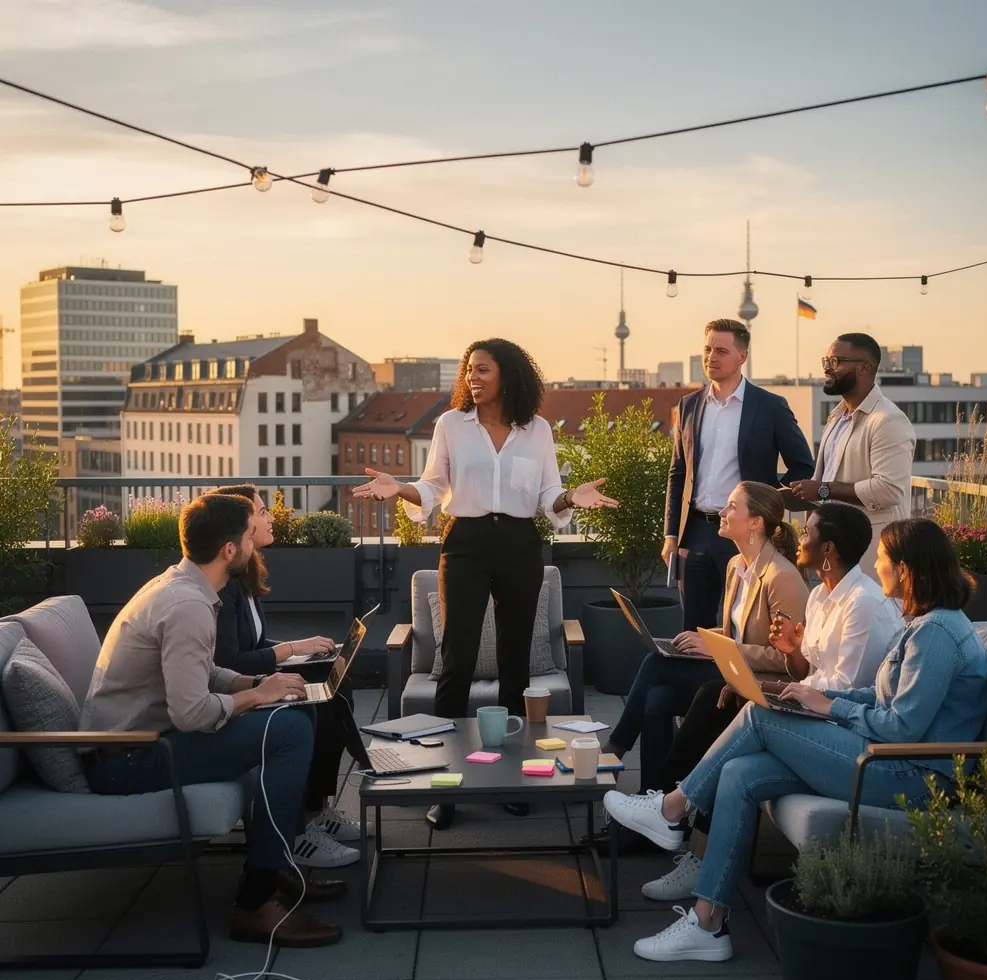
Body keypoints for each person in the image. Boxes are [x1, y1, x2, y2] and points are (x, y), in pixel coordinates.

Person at [604, 517, 987, 964]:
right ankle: (708, 922)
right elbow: (883, 694)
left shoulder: (937, 633)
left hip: (909, 775)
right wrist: (821, 695)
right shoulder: (926, 623)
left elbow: (902, 726)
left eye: (883, 559)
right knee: (739, 772)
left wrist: (832, 708)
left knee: (759, 715)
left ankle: (672, 808)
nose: (877, 565)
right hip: (888, 758)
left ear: (906, 569)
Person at [353, 338, 619, 829]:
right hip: (466, 542)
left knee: (517, 664)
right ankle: (446, 785)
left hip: (520, 543)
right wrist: (402, 488)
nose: (473, 378)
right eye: (469, 370)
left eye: (483, 370)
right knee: (456, 658)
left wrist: (571, 500)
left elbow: (547, 496)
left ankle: (517, 777)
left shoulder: (535, 430)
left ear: (509, 375)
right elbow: (433, 486)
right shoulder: (451, 425)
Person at [80, 493, 351, 947]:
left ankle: (277, 864)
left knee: (291, 710)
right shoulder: (188, 608)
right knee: (289, 730)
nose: (254, 542)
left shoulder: (178, 586)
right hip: (131, 757)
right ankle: (255, 902)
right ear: (230, 550)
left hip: (143, 741)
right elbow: (191, 713)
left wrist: (256, 683)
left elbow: (201, 673)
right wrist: (259, 696)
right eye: (250, 533)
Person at [641, 500, 902, 901]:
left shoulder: (863, 603)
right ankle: (703, 888)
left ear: (828, 549)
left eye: (810, 531)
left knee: (738, 707)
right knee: (733, 748)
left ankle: (666, 807)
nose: (798, 535)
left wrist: (770, 691)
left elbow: (842, 689)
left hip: (845, 729)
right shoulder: (819, 597)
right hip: (821, 713)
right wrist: (793, 652)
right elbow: (807, 673)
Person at [605, 481, 808, 795]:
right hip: (729, 666)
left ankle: (614, 751)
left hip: (755, 680)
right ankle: (652, 799)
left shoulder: (781, 578)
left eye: (732, 507)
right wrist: (702, 637)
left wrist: (716, 648)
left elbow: (787, 657)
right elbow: (735, 631)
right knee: (657, 699)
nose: (722, 513)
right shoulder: (735, 566)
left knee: (656, 663)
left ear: (756, 523)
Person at [211, 484, 361, 867]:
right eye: (260, 514)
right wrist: (293, 651)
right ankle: (302, 829)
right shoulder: (221, 588)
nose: (269, 517)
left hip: (249, 678)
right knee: (318, 707)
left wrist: (307, 650)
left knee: (335, 688)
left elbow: (256, 641)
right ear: (238, 531)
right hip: (237, 687)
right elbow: (231, 660)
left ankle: (317, 809)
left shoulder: (245, 577)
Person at [665, 319, 814, 631]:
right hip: (697, 532)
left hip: (748, 533)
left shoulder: (770, 406)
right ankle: (698, 682)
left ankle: (736, 682)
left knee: (744, 625)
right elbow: (678, 473)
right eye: (707, 349)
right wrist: (671, 535)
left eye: (721, 350)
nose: (711, 357)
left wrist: (766, 501)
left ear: (742, 356)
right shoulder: (689, 405)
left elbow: (803, 467)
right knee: (693, 629)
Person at [788, 333, 915, 581]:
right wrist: (794, 496)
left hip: (872, 559)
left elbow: (888, 490)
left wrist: (823, 490)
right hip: (833, 556)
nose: (827, 368)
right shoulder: (837, 417)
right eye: (826, 361)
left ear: (864, 369)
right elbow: (825, 487)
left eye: (836, 361)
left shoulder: (888, 420)